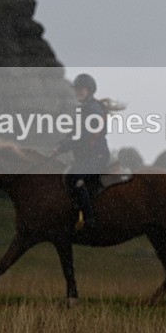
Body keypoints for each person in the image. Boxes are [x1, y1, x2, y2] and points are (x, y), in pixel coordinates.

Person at [54, 74, 111, 230]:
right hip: (86, 158)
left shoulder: (93, 110)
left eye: (81, 89)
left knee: (76, 179)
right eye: (76, 89)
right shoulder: (83, 109)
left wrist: (64, 146)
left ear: (90, 91)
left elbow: (83, 135)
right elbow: (74, 133)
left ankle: (89, 219)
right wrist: (60, 145)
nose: (78, 92)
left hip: (97, 158)